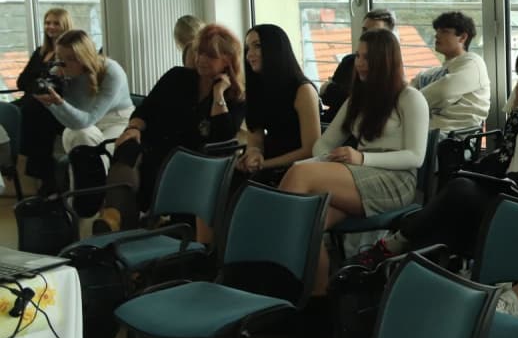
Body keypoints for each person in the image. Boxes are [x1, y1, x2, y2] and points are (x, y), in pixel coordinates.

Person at [351, 38, 518, 270]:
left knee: (459, 194)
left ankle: (394, 248)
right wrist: (471, 171)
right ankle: (405, 266)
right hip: (505, 191)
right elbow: (502, 160)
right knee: (453, 203)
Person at [280, 28, 428, 286]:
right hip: (358, 173)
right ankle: (318, 294)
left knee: (298, 174)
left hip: (396, 181)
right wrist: (328, 159)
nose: (359, 63)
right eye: (358, 56)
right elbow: (323, 144)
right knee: (306, 222)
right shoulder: (357, 99)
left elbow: (416, 157)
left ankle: (274, 273)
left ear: (385, 60)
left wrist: (362, 159)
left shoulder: (410, 98)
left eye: (367, 57)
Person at [100, 25, 248, 239]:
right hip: (152, 150)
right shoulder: (177, 77)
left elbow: (222, 137)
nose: (201, 59)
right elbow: (145, 110)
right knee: (128, 147)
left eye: (210, 55)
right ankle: (115, 219)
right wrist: (133, 128)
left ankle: (126, 229)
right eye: (199, 53)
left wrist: (218, 94)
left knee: (154, 170)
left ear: (227, 60)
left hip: (190, 163)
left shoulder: (235, 97)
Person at [239, 24, 321, 183]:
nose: (249, 55)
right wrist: (254, 154)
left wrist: (264, 164)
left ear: (275, 49)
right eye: (248, 48)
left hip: (297, 169)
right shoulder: (257, 88)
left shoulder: (303, 91)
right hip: (268, 163)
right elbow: (255, 139)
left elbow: (310, 150)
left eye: (257, 46)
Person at [35, 29, 134, 154]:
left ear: (85, 58)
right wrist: (49, 102)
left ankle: (92, 165)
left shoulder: (111, 71)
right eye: (59, 57)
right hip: (82, 123)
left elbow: (87, 120)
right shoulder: (58, 72)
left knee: (99, 152)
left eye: (71, 58)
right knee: (79, 135)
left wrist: (59, 104)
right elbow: (73, 123)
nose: (63, 64)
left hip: (116, 121)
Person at [17, 7, 73, 193]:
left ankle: (46, 179)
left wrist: (36, 86)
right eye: (48, 23)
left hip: (54, 105)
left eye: (56, 23)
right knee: (12, 110)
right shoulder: (40, 52)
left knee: (33, 112)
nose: (51, 27)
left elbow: (58, 86)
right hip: (32, 100)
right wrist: (36, 87)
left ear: (65, 26)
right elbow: (21, 81)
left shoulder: (69, 55)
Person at [409, 10, 490, 131]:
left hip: (451, 135)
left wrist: (407, 104)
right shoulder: (431, 73)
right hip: (423, 130)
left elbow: (443, 92)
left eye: (444, 31)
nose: (437, 35)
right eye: (437, 31)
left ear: (462, 37)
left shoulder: (473, 63)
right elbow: (408, 92)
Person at [320, 9, 395, 123]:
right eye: (364, 30)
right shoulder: (349, 61)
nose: (366, 35)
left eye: (374, 31)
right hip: (331, 121)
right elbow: (326, 97)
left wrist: (332, 89)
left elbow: (364, 104)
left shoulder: (390, 71)